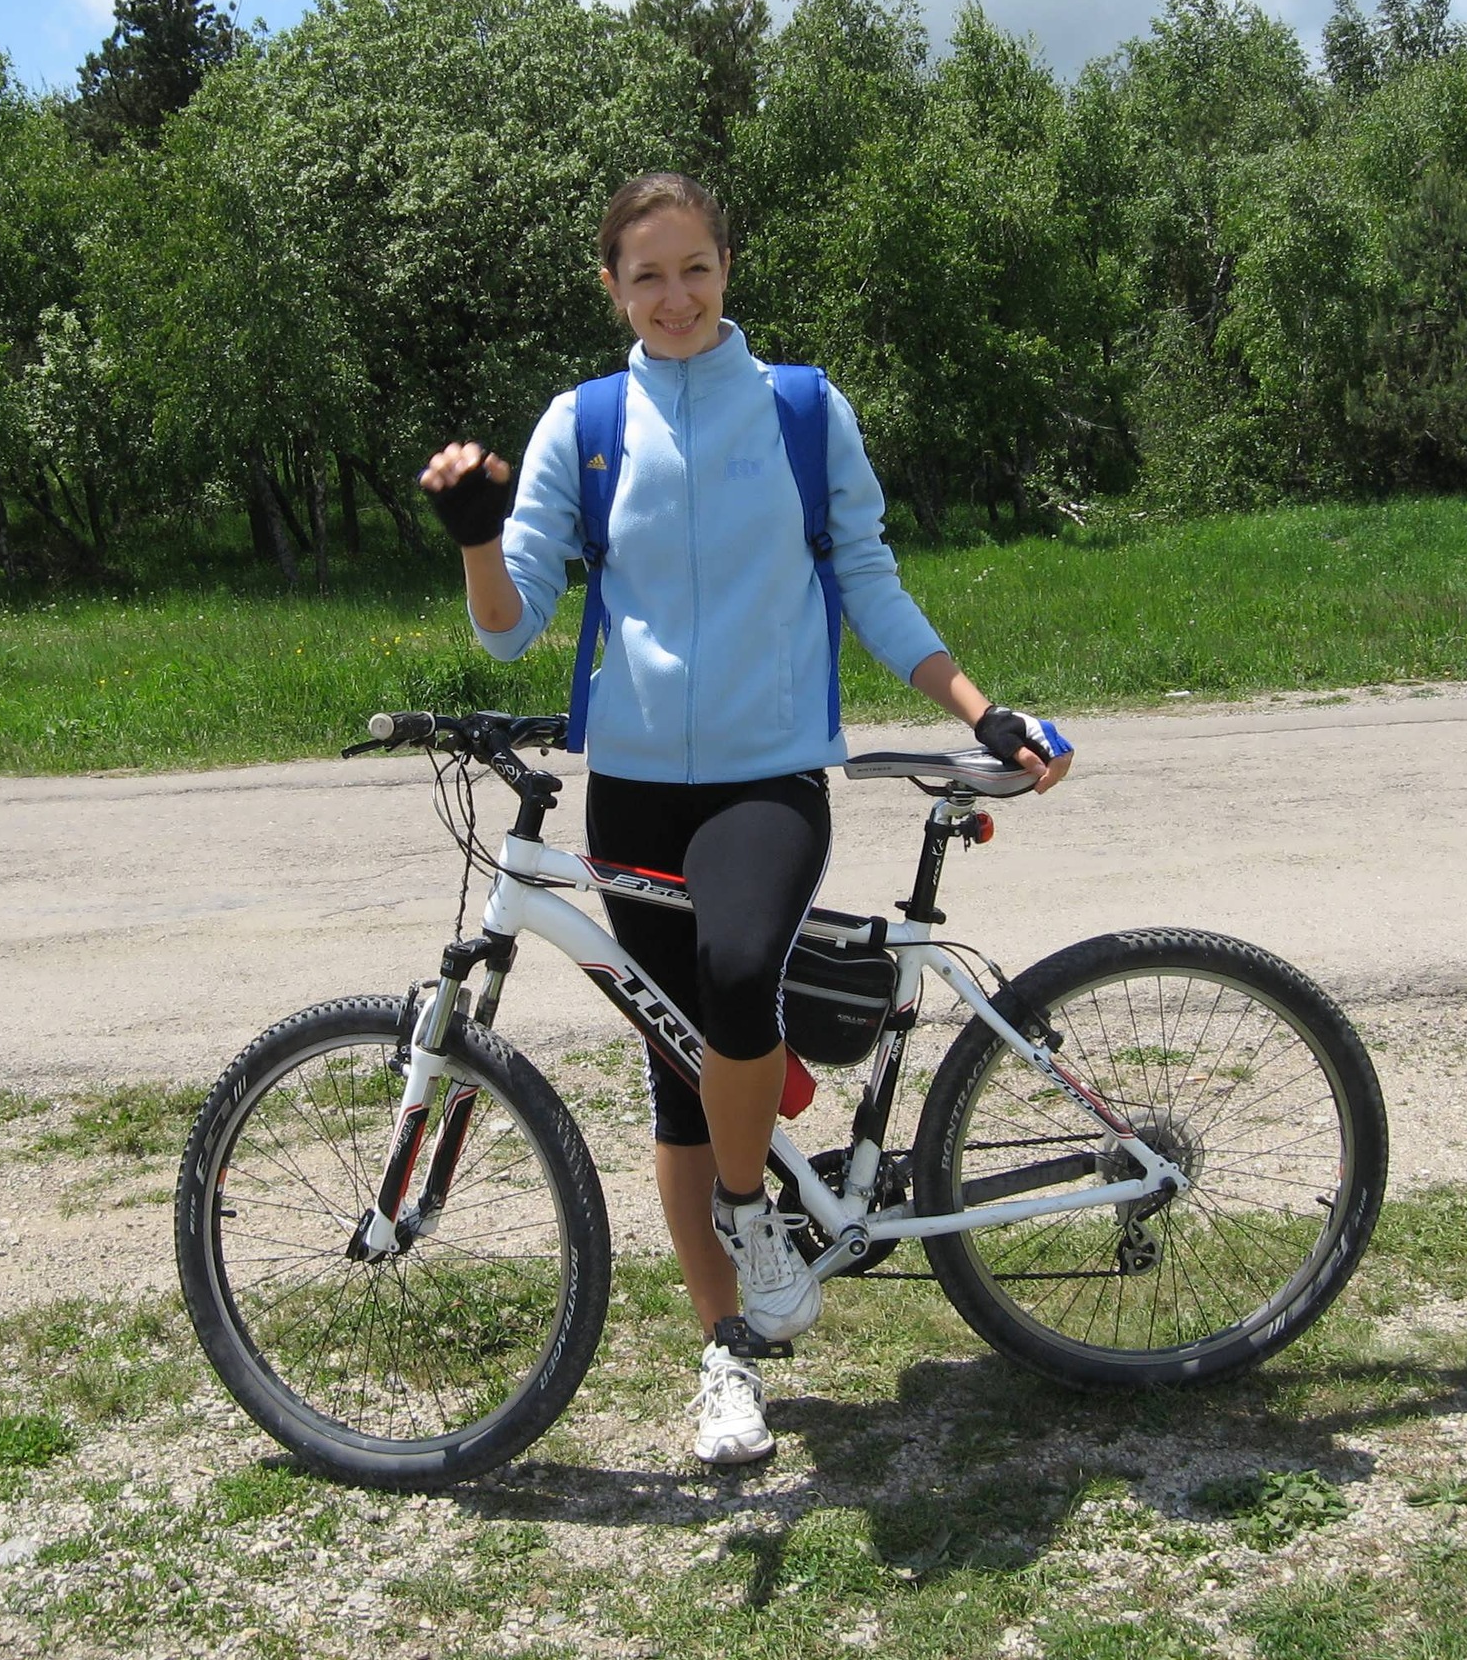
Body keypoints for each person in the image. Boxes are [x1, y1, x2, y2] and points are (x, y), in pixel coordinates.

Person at [420, 171, 1069, 1466]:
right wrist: (478, 537)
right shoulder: (583, 424)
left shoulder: (802, 410)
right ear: (612, 286)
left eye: (696, 268)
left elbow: (869, 583)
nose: (676, 297)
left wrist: (982, 708)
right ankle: (728, 1357)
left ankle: (749, 1214)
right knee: (680, 1078)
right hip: (635, 790)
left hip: (768, 779)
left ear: (728, 268)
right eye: (647, 276)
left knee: (733, 975)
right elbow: (508, 630)